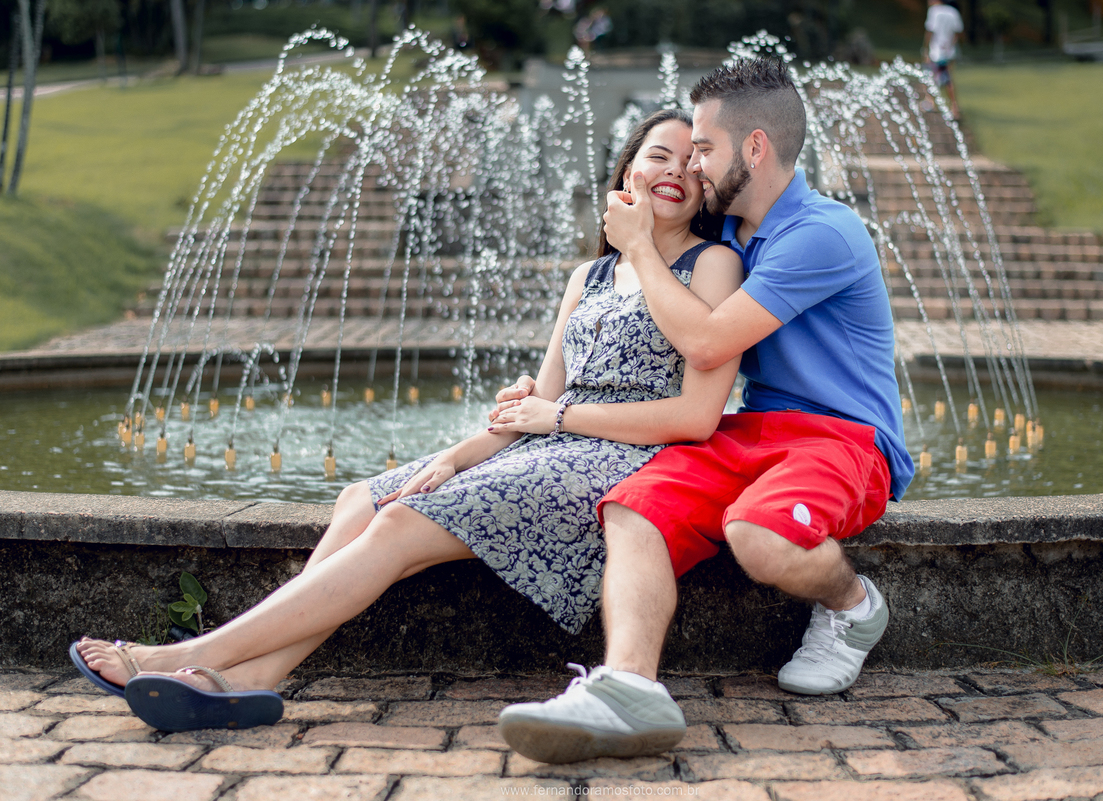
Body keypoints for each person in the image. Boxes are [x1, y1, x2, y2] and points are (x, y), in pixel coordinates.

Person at [70, 109, 743, 733]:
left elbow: (694, 417)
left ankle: (185, 653)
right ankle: (251, 677)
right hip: (550, 449)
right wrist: (454, 454)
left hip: (619, 465)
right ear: (628, 172)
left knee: (398, 523)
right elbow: (534, 404)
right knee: (363, 496)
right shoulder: (590, 277)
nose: (676, 173)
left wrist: (558, 411)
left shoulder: (713, 265)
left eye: (693, 164)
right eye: (660, 156)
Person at [496, 58, 914, 764]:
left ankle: (853, 605)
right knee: (633, 506)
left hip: (847, 440)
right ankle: (627, 686)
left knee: (758, 534)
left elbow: (706, 339)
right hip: (752, 430)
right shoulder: (731, 237)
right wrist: (548, 393)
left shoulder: (822, 232)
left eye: (705, 147)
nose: (692, 161)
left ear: (754, 149)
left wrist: (637, 247)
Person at [924, 0, 964, 119]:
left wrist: (925, 48)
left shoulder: (934, 11)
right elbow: (957, 33)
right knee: (947, 79)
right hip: (948, 51)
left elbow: (930, 31)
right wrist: (950, 46)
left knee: (931, 76)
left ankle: (931, 102)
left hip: (936, 51)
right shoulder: (953, 12)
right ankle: (954, 107)